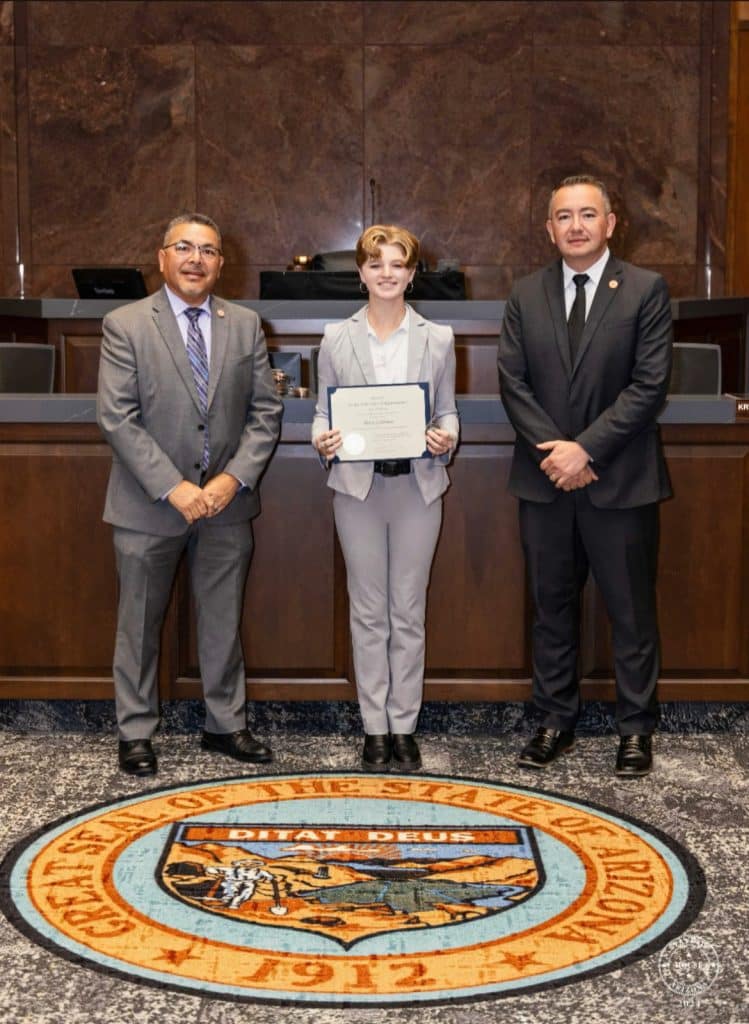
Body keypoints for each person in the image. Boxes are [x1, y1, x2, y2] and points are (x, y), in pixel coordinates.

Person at [498, 175, 672, 777]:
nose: (575, 225)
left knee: (630, 608)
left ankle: (635, 728)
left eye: (587, 214)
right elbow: (512, 383)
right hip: (543, 480)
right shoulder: (525, 294)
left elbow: (648, 386)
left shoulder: (645, 289)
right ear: (549, 229)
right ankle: (553, 721)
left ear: (610, 223)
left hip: (620, 479)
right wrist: (558, 453)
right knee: (551, 607)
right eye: (564, 216)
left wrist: (585, 452)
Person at [97, 213, 282, 777]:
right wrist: (175, 487)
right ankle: (135, 731)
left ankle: (225, 726)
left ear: (221, 263)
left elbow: (264, 413)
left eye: (208, 250)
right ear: (162, 258)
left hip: (226, 505)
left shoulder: (245, 324)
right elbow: (118, 418)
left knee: (222, 620)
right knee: (139, 622)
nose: (196, 258)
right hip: (148, 503)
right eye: (185, 247)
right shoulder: (125, 323)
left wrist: (231, 479)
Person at [312, 224, 459, 772]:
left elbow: (446, 410)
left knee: (409, 611)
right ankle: (374, 727)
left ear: (413, 273)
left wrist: (447, 438)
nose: (387, 273)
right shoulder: (335, 337)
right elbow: (325, 412)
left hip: (418, 487)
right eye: (376, 264)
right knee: (369, 611)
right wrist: (320, 439)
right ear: (361, 273)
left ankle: (405, 725)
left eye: (398, 264)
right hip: (357, 488)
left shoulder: (438, 338)